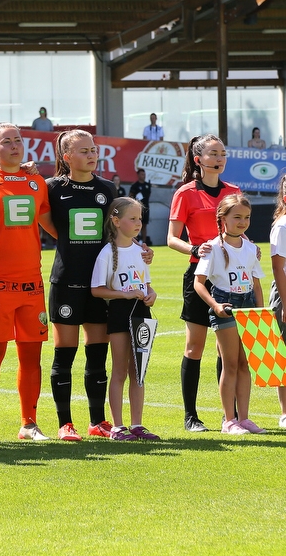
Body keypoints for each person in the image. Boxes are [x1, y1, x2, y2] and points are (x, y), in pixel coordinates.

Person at [0, 123, 54, 444]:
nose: (15, 146)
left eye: (18, 140)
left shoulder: (36, 182)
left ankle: (29, 424)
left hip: (32, 282)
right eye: (7, 142)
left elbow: (52, 226)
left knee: (31, 355)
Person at [46, 130, 122, 441]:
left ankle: (97, 421)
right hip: (66, 281)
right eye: (83, 151)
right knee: (65, 352)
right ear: (66, 157)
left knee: (97, 354)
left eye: (93, 149)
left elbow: (116, 231)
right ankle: (65, 423)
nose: (92, 155)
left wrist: (138, 249)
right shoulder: (51, 188)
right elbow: (49, 225)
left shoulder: (107, 188)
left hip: (100, 283)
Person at [167, 134, 241, 432]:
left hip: (229, 276)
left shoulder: (233, 190)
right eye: (213, 153)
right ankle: (190, 417)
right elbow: (171, 239)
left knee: (228, 350)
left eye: (223, 153)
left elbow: (239, 227)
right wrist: (194, 249)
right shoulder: (185, 193)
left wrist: (249, 246)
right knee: (194, 347)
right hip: (199, 276)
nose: (220, 158)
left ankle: (231, 416)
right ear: (198, 160)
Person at [194, 193, 266, 435]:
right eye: (237, 217)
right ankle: (229, 420)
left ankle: (244, 418)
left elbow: (256, 284)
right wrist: (215, 305)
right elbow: (199, 283)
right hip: (225, 307)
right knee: (231, 364)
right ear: (222, 218)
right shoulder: (212, 248)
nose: (242, 222)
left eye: (246, 217)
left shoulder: (252, 248)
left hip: (248, 307)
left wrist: (260, 313)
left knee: (246, 364)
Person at [90, 197, 160, 441]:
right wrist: (123, 294)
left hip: (142, 313)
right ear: (117, 221)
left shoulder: (141, 251)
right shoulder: (107, 252)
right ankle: (118, 427)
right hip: (120, 313)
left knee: (138, 371)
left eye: (140, 218)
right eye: (132, 219)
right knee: (119, 370)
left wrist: (151, 294)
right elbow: (96, 289)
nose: (138, 223)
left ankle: (137, 424)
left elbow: (147, 284)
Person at [263, 177, 286, 429]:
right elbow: (278, 268)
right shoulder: (282, 225)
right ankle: (284, 412)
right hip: (285, 292)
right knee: (283, 355)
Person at [129, 168, 152, 244]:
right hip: (137, 209)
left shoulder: (147, 185)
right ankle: (136, 241)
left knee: (144, 225)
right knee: (136, 224)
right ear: (138, 175)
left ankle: (144, 241)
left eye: (144, 174)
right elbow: (130, 196)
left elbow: (148, 195)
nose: (143, 176)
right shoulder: (135, 186)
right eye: (142, 174)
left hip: (146, 208)